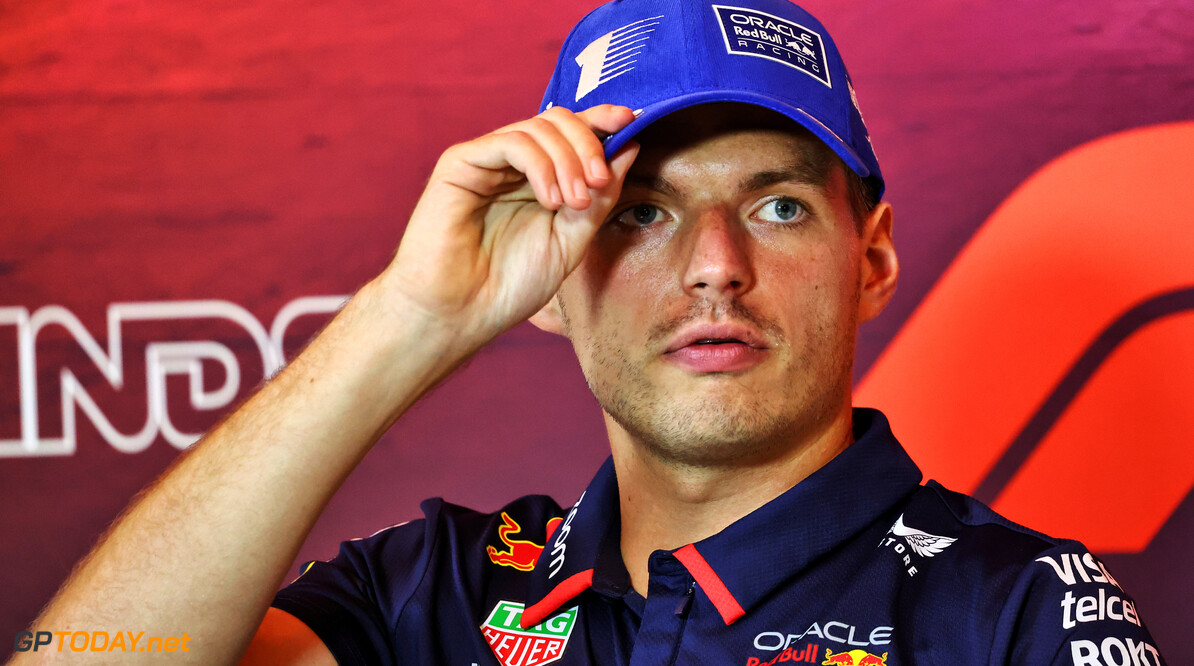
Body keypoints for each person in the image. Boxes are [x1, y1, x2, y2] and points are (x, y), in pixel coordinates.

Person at [16, 0, 1166, 665]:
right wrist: (406, 321)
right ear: (554, 285)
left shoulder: (1019, 613)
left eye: (776, 205)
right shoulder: (440, 595)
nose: (716, 266)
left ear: (871, 259)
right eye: (639, 213)